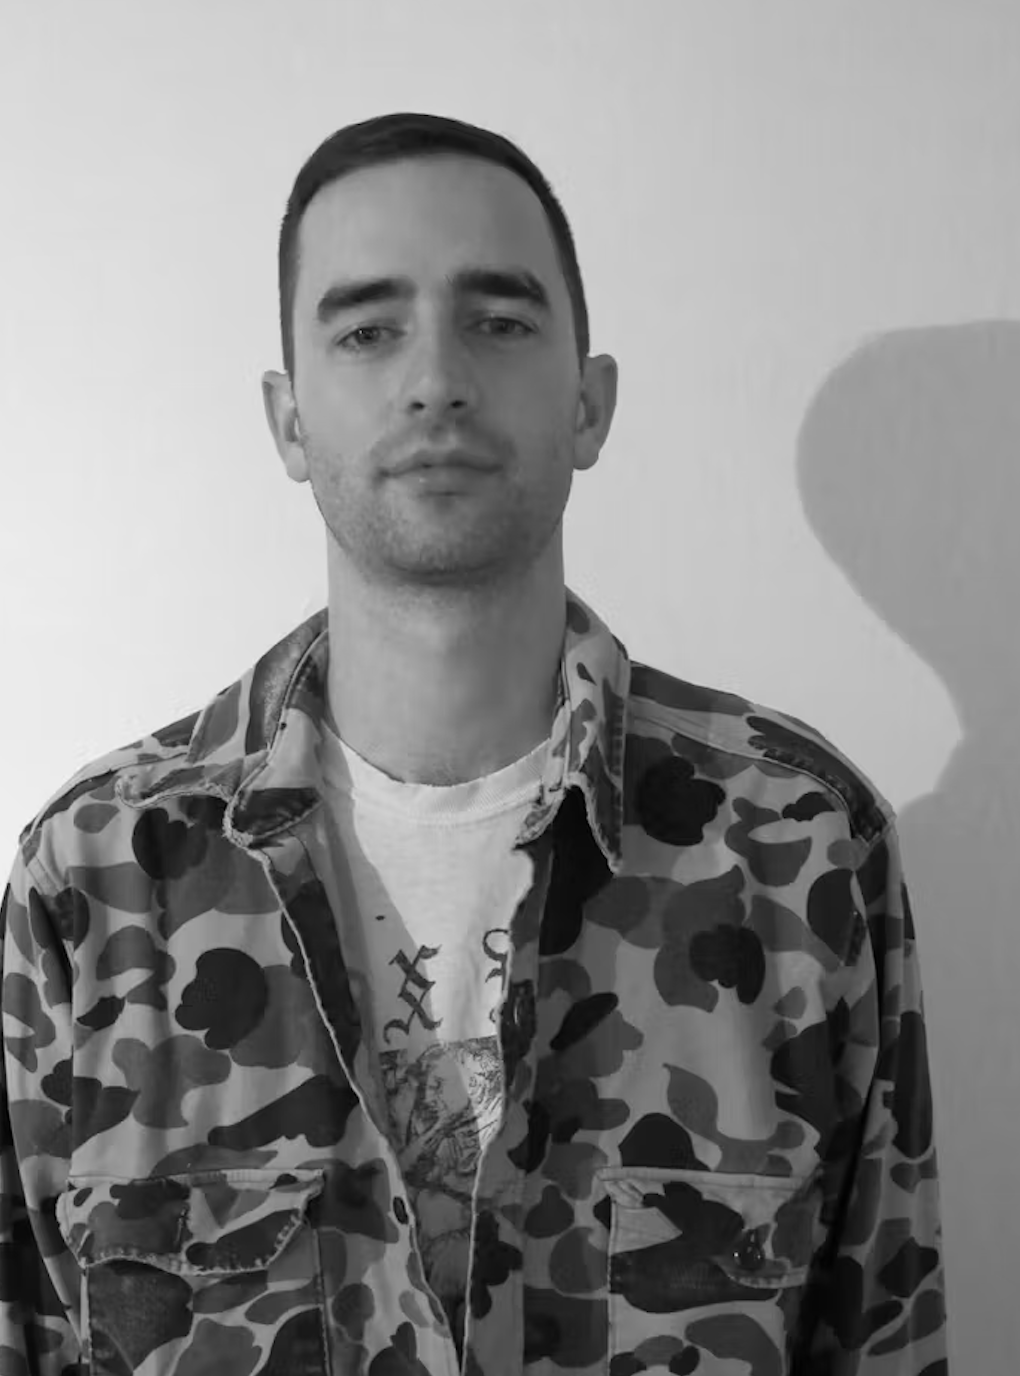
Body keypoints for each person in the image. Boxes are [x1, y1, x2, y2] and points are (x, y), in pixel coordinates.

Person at [0, 112, 948, 1376]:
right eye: (367, 328)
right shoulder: (101, 876)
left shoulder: (795, 851)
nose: (435, 375)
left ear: (592, 401)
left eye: (499, 321)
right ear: (287, 420)